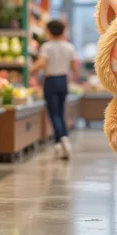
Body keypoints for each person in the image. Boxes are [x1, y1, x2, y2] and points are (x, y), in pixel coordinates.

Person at [32, 20, 78, 159]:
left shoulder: (47, 47)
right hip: (63, 80)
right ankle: (60, 142)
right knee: (60, 111)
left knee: (54, 113)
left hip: (51, 81)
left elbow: (42, 63)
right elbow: (74, 67)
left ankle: (63, 138)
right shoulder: (70, 47)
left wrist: (30, 69)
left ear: (49, 31)